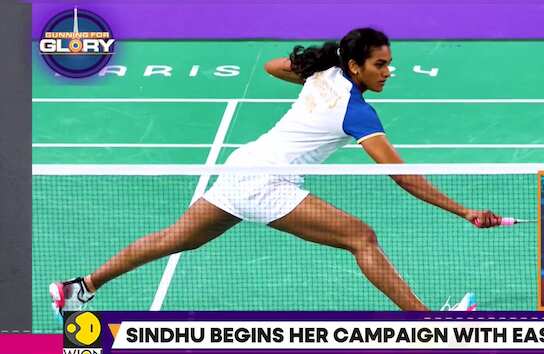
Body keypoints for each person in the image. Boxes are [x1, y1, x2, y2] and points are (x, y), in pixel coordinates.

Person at [50, 28, 502, 314]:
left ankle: (79, 288)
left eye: (388, 63)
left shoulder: (325, 75)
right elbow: (403, 176)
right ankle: (426, 327)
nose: (389, 71)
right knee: (361, 237)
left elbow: (272, 66)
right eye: (380, 64)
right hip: (267, 183)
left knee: (173, 238)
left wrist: (315, 68)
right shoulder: (358, 112)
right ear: (356, 65)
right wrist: (463, 211)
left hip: (242, 167)